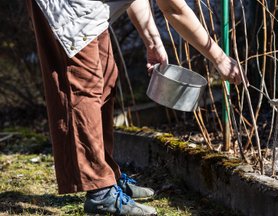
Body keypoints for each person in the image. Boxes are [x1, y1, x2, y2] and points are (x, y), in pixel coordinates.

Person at [26, 0, 244, 215]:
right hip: (68, 7)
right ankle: (100, 193)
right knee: (83, 89)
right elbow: (174, 9)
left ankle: (107, 174)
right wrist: (220, 59)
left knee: (107, 78)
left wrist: (152, 40)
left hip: (89, 8)